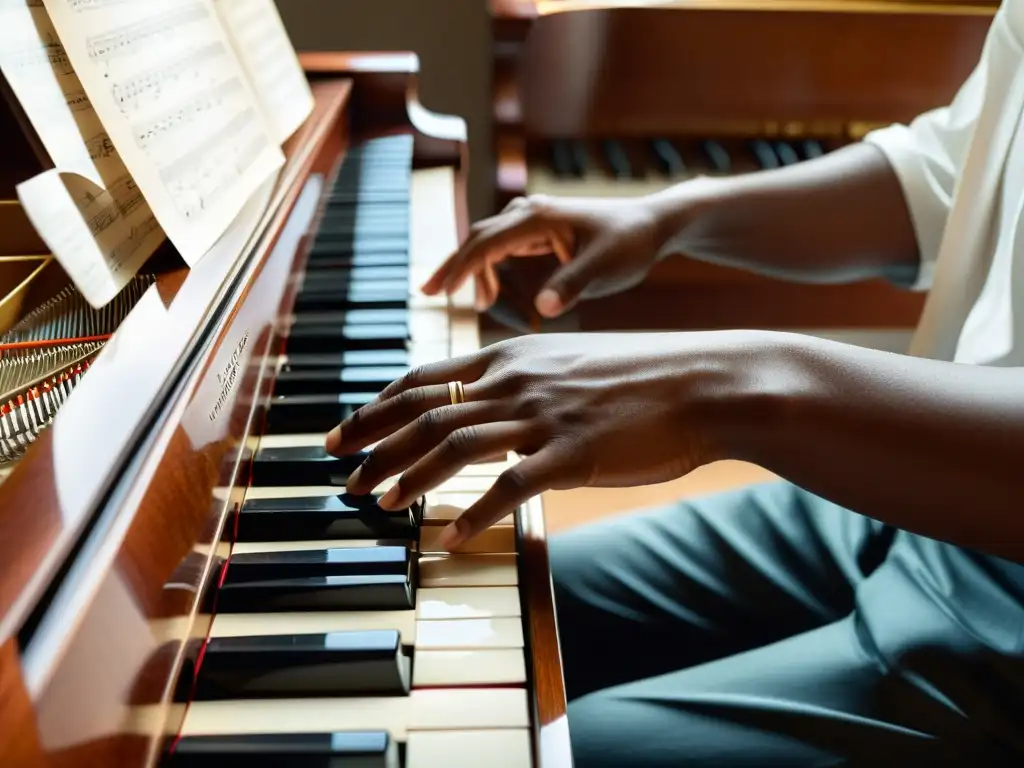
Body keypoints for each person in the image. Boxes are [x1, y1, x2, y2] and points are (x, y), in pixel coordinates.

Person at [326, 3, 1024, 765]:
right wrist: (670, 215)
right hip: (903, 498)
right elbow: (950, 175)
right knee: (462, 610)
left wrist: (722, 387)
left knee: (538, 749)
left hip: (1005, 589)